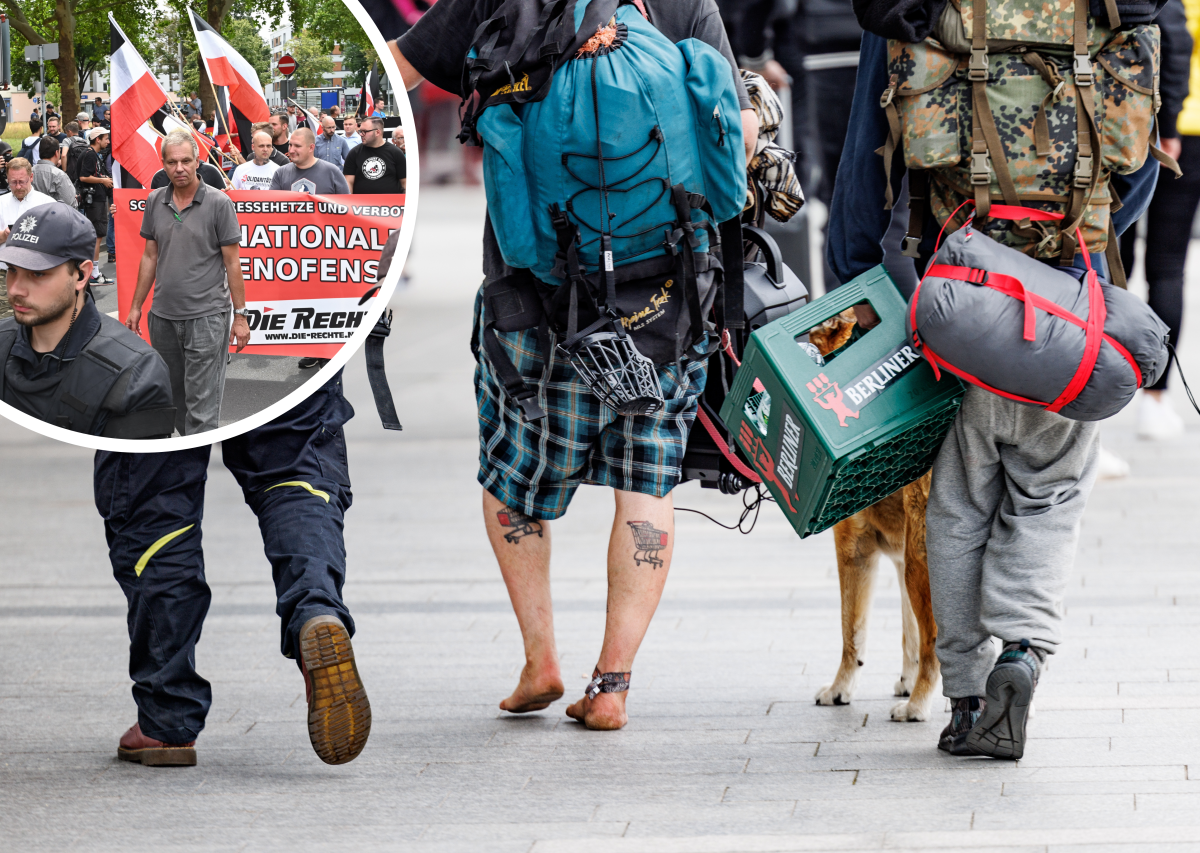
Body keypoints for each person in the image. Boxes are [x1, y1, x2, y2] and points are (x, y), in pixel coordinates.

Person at [389, 0, 758, 731]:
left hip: (534, 295)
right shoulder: (684, 4)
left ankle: (539, 659)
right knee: (645, 482)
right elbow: (738, 130)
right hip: (667, 293)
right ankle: (613, 682)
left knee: (514, 473)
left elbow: (396, 69)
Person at [826, 16, 1162, 759]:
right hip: (1073, 309)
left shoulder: (923, 11)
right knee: (1049, 493)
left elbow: (865, 165)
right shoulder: (1104, 9)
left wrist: (852, 284)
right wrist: (1075, 250)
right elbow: (1136, 170)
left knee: (955, 503)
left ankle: (966, 697)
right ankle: (1024, 653)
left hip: (955, 299)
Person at [95, 370, 370, 767]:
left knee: (155, 505)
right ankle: (316, 609)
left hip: (151, 345)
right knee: (294, 478)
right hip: (288, 330)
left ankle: (166, 717)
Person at [0, 203, 175, 437]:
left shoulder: (135, 373)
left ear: (81, 275)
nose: (16, 289)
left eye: (38, 273)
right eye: (12, 270)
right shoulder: (3, 340)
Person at [125, 130, 251, 436]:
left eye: (185, 161)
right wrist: (136, 306)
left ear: (198, 161)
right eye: (172, 162)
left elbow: (232, 262)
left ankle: (196, 461)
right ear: (163, 164)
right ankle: (189, 450)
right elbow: (149, 257)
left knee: (202, 404)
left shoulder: (219, 203)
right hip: (163, 317)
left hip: (207, 318)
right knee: (174, 398)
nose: (179, 168)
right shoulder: (155, 200)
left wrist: (241, 316)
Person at [1117, 0, 1194, 441]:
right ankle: (1155, 400)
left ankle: (1112, 389)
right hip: (1177, 129)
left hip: (1147, 126)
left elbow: (1173, 39)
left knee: (1116, 264)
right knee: (1167, 267)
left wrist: (1167, 126)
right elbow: (1179, 41)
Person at [0, 159, 56, 319]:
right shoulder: (1, 203)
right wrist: (4, 235)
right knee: (5, 324)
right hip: (4, 274)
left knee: (36, 321)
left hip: (37, 274)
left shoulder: (47, 204)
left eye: (22, 182)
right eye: (13, 182)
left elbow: (57, 242)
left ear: (31, 177)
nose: (18, 187)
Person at [76, 128, 114, 286]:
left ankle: (92, 271)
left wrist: (102, 177)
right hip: (95, 201)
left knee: (95, 236)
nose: (108, 141)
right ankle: (94, 274)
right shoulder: (90, 154)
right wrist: (103, 181)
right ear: (97, 139)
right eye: (106, 138)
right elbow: (83, 177)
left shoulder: (91, 153)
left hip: (95, 199)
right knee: (97, 236)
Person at [270, 127, 350, 195]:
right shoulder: (280, 173)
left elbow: (346, 205)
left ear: (311, 148)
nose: (291, 151)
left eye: (297, 146)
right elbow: (271, 205)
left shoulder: (332, 172)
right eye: (290, 145)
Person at [343, 117, 406, 195]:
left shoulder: (396, 153)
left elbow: (405, 183)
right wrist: (349, 204)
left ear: (377, 132)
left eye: (364, 131)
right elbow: (348, 182)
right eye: (360, 131)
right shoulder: (354, 153)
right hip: (360, 205)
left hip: (390, 205)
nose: (361, 134)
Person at [32, 138, 77, 207]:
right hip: (54, 214)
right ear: (56, 153)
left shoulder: (29, 172)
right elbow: (69, 203)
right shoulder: (59, 175)